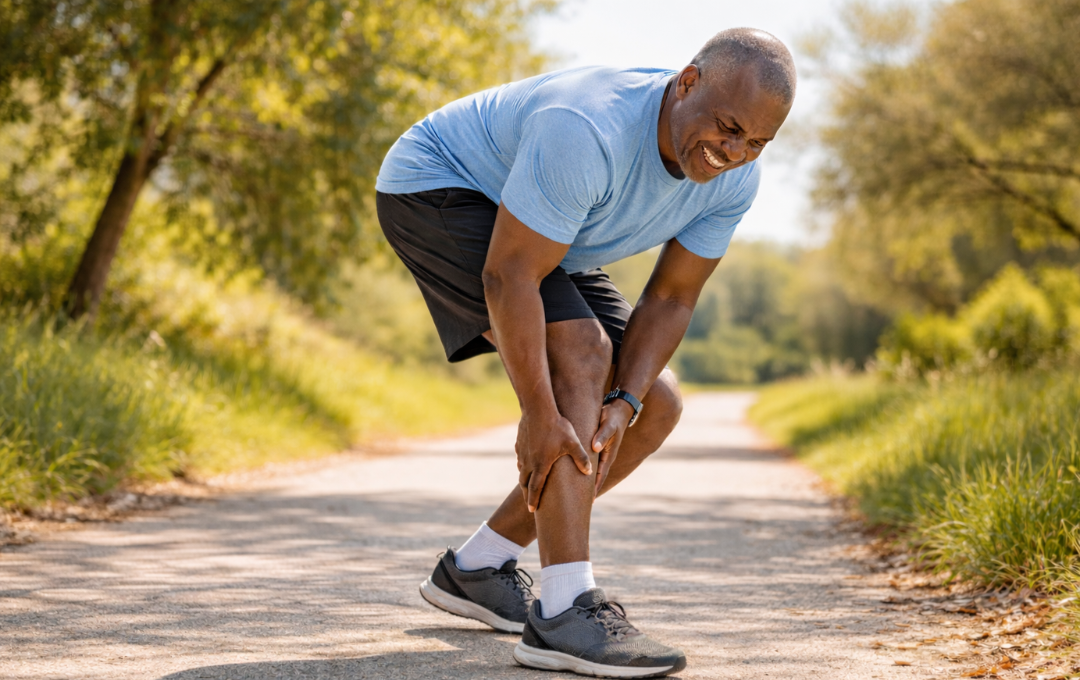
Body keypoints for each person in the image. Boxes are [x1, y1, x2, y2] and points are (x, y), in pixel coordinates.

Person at [375, 27, 796, 678]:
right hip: (438, 188)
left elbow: (674, 299)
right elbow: (509, 275)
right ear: (688, 83)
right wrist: (538, 410)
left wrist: (624, 403)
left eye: (755, 142)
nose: (732, 152)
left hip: (547, 235)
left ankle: (479, 567)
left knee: (656, 400)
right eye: (727, 126)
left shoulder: (734, 181)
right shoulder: (588, 128)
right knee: (582, 349)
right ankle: (564, 610)